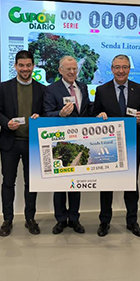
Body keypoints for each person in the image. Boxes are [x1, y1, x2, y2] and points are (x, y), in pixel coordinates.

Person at [93, 54, 140, 237]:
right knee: (106, 185)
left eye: (124, 67)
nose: (121, 71)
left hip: (132, 144)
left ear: (129, 69)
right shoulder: (101, 90)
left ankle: (132, 221)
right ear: (112, 69)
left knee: (131, 186)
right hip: (108, 145)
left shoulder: (139, 89)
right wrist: (99, 116)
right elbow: (94, 115)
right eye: (117, 67)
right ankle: (104, 222)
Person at [0, 50, 46, 237]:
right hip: (10, 143)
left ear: (33, 66)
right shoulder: (5, 87)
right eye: (21, 65)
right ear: (15, 66)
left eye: (28, 65)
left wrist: (40, 117)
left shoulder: (42, 89)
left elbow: (47, 113)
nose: (25, 69)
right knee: (8, 182)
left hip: (32, 145)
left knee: (31, 184)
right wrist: (6, 122)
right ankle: (7, 220)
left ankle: (30, 219)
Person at [43, 56, 92, 234]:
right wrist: (60, 114)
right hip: (60, 142)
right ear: (60, 70)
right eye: (68, 69)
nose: (72, 72)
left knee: (76, 184)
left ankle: (75, 219)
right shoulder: (51, 90)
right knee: (60, 185)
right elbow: (46, 114)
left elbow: (86, 111)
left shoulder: (83, 87)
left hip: (79, 140)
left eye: (74, 69)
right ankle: (60, 220)